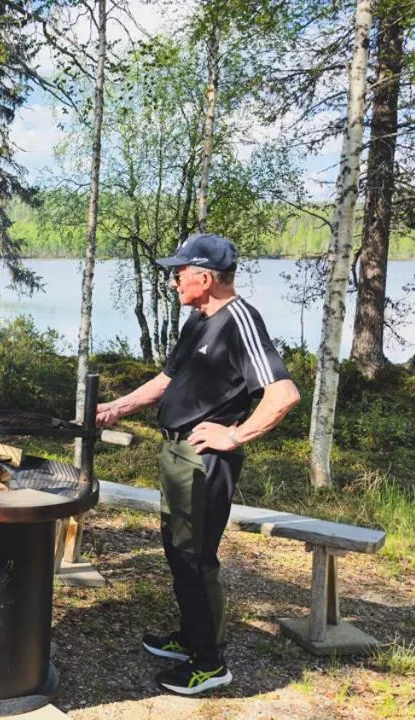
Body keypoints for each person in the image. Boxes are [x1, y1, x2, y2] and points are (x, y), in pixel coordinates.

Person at [94, 233, 300, 696]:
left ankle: (210, 662)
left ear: (204, 278)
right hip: (176, 452)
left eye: (179, 273)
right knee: (176, 548)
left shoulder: (240, 320)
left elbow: (283, 394)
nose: (173, 281)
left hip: (205, 460)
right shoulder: (198, 319)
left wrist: (233, 433)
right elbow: (168, 380)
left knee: (195, 557)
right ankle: (191, 637)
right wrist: (115, 407)